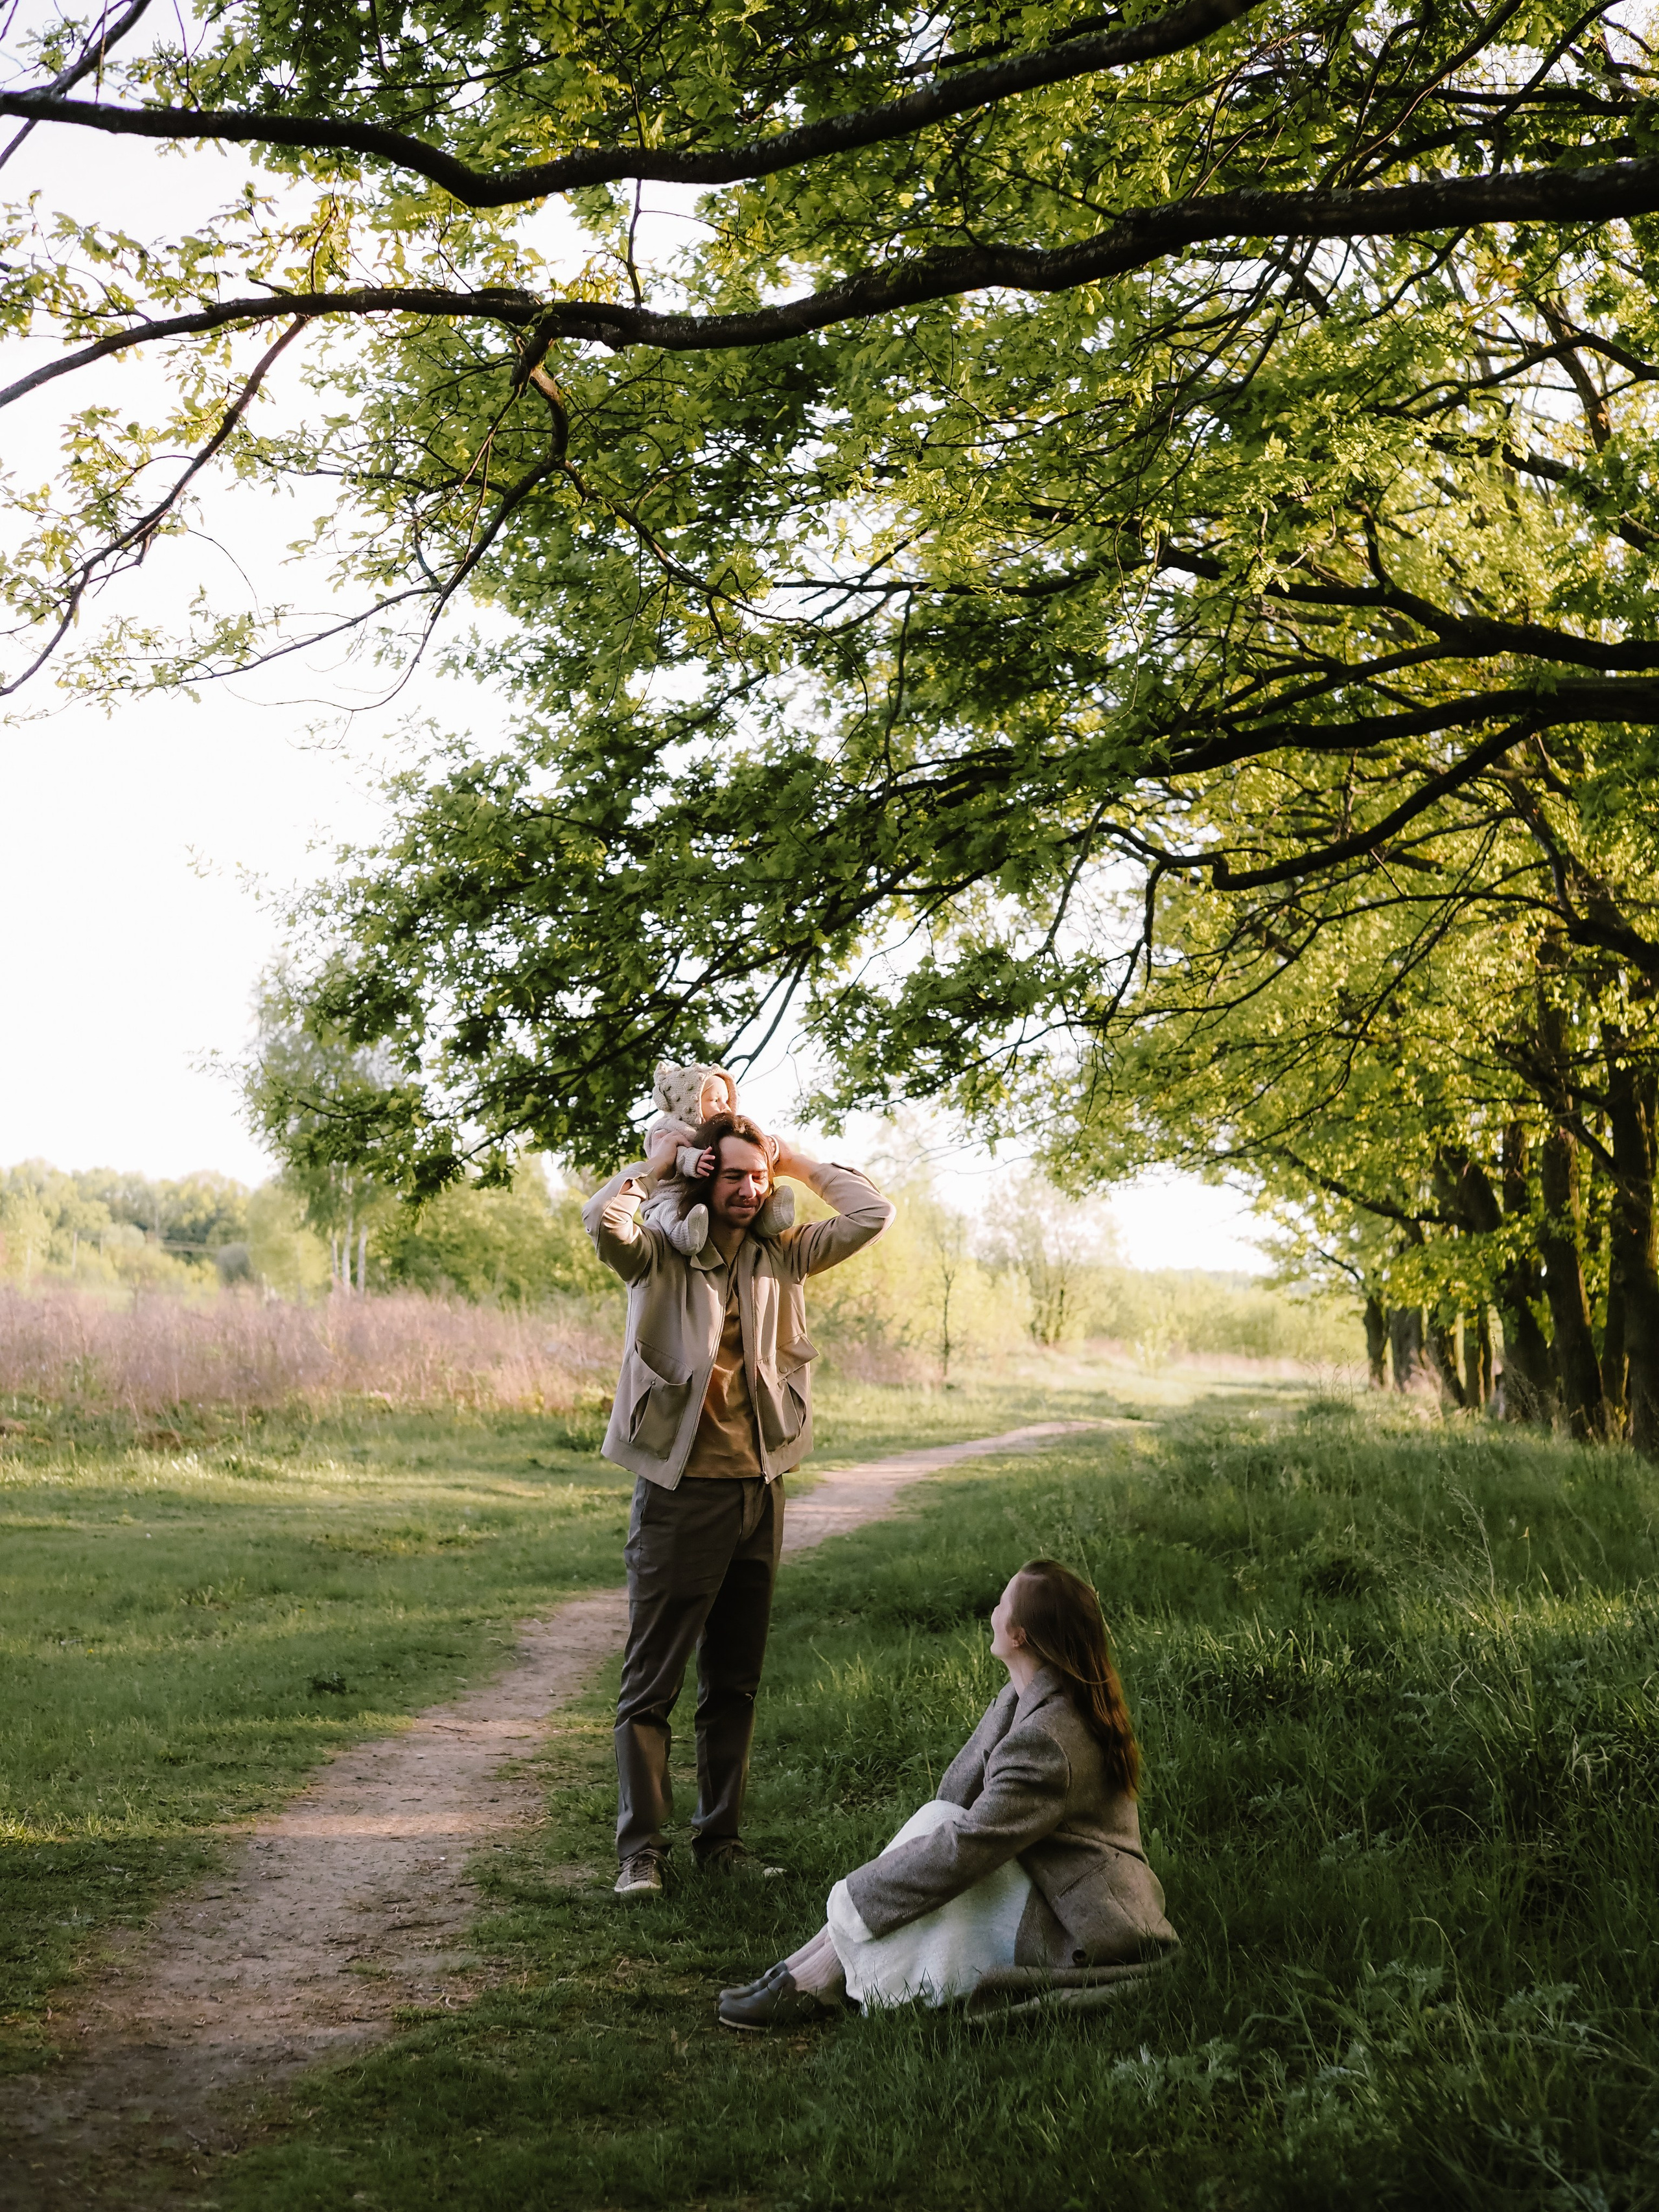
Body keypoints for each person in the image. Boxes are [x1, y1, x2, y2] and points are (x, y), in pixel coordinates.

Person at [584, 1109, 894, 1896]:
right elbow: (602, 1218)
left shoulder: (782, 1254)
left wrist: (795, 1161)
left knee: (736, 1682)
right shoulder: (655, 1252)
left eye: (758, 1177)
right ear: (701, 1175)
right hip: (679, 1491)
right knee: (652, 1682)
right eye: (734, 1175)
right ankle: (639, 1853)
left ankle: (719, 1841)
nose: (750, 1190)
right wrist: (658, 1163)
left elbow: (871, 1212)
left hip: (761, 1488)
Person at [716, 1559, 1178, 2027]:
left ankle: (815, 1979)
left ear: (1019, 1634)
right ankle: (808, 1968)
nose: (993, 1610)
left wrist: (856, 1898)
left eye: (1002, 1602)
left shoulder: (1049, 1739)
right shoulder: (1025, 1697)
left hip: (1081, 1924)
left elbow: (969, 1845)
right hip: (1048, 1879)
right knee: (938, 1820)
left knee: (941, 1843)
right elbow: (954, 1801)